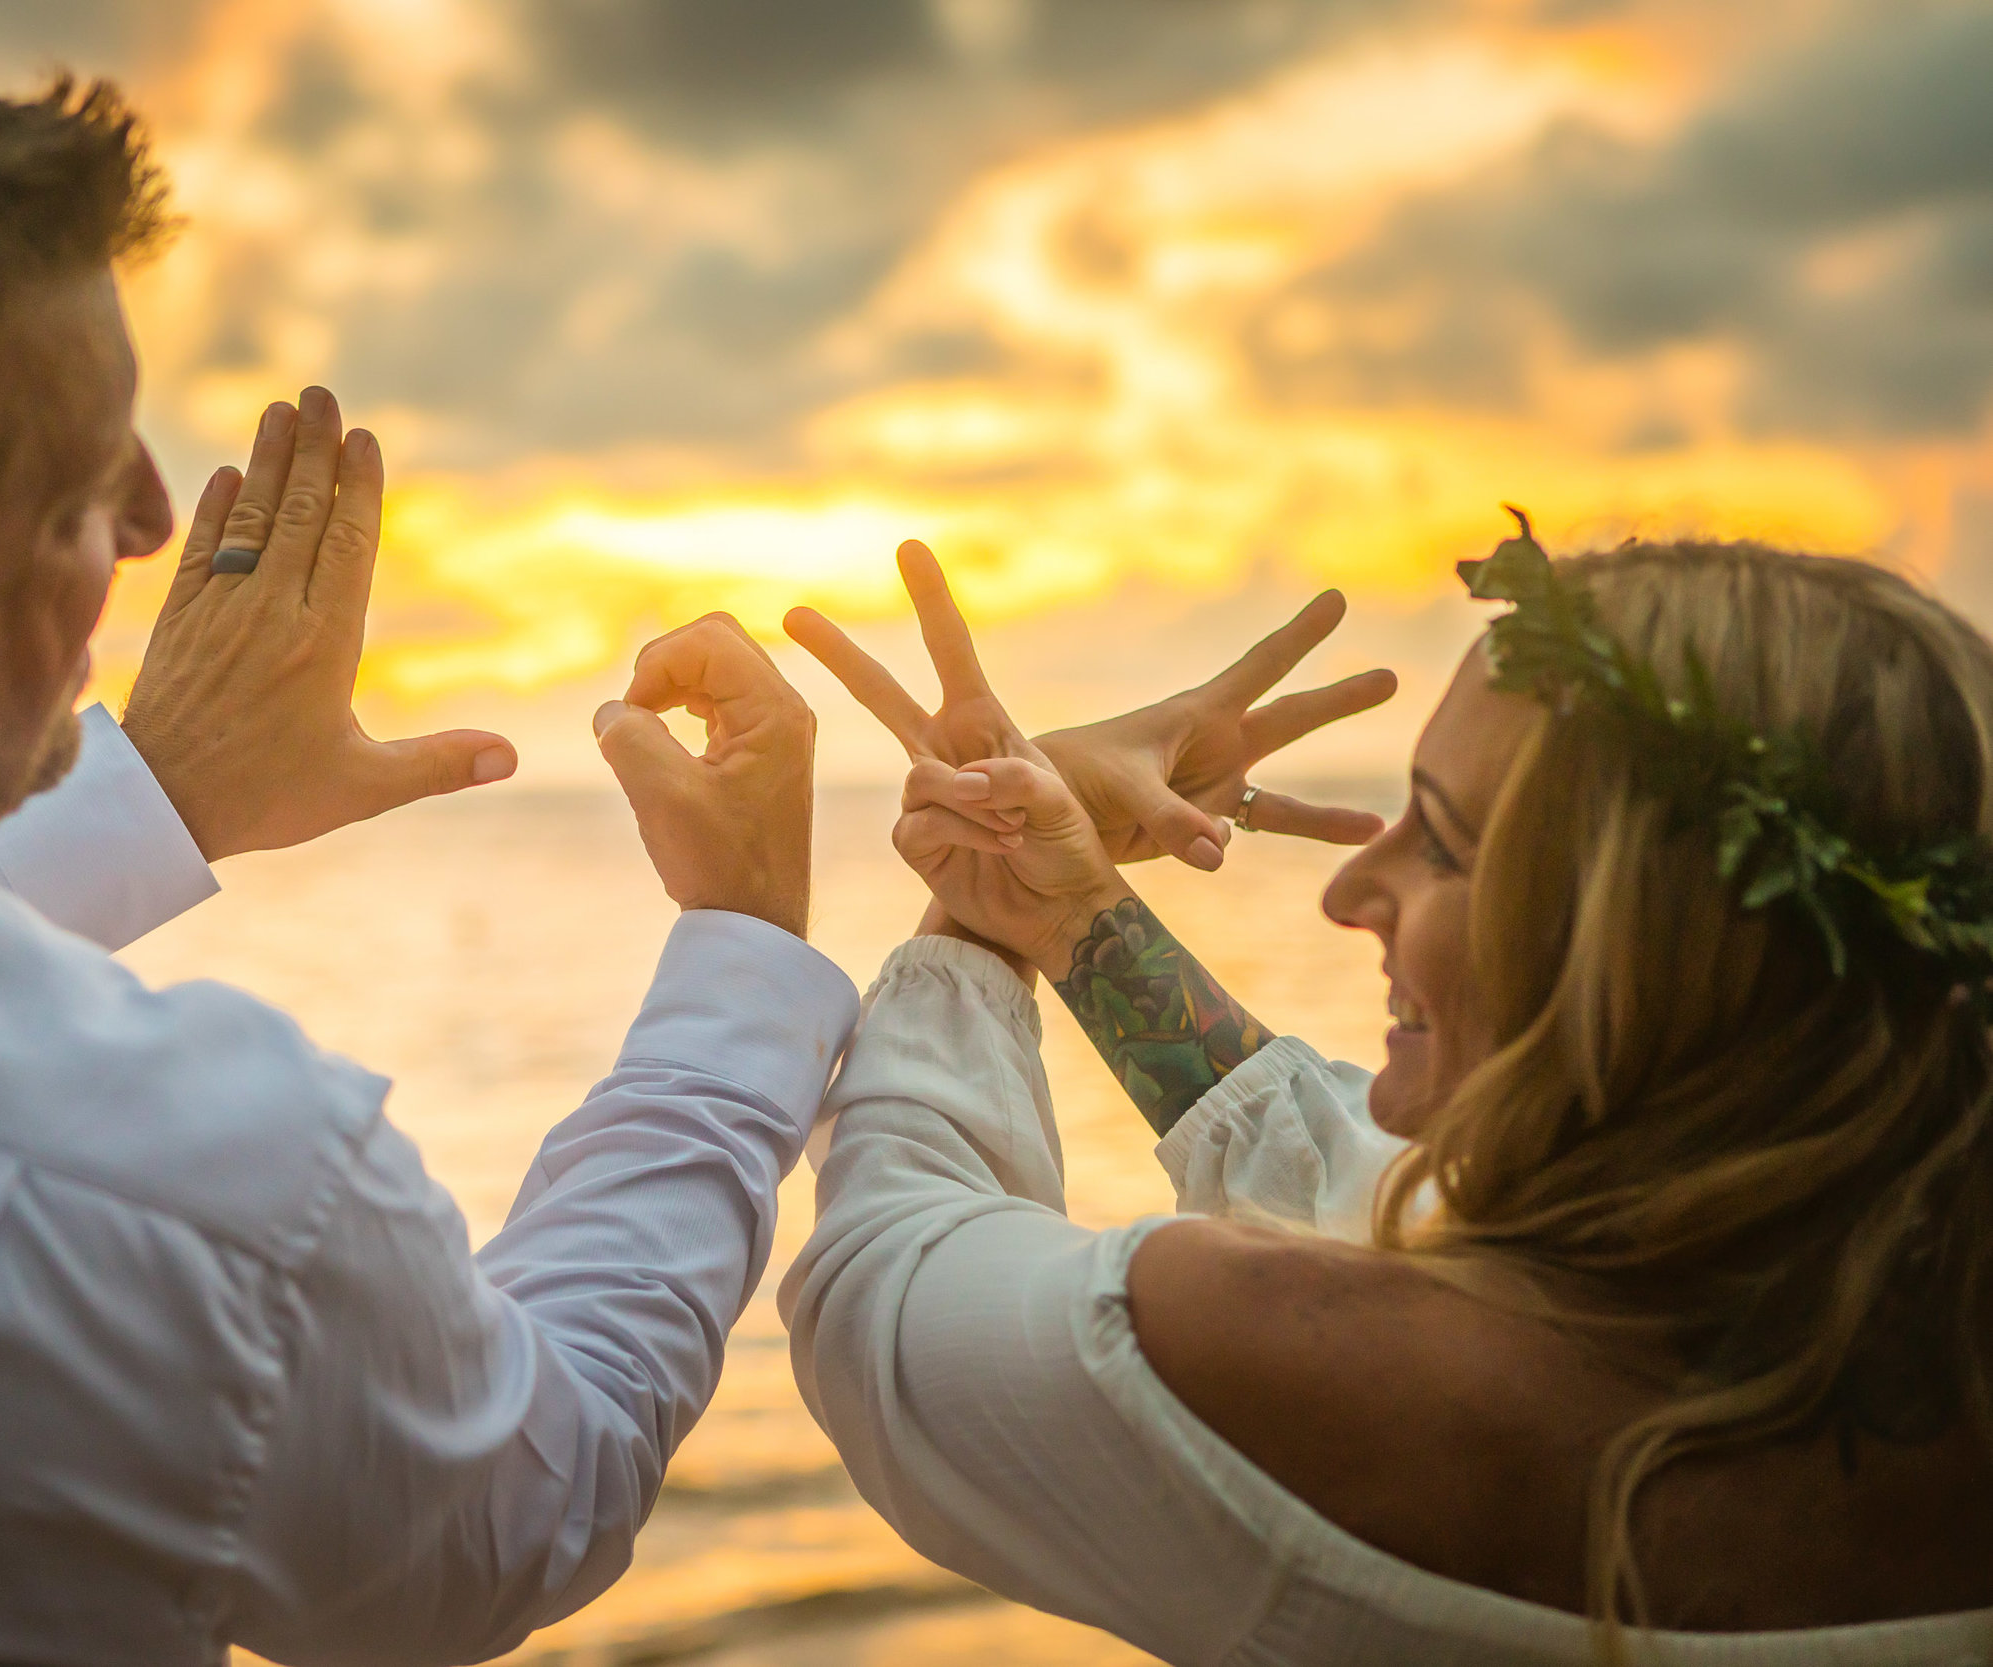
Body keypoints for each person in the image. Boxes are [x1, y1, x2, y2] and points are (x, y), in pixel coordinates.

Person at [0, 54, 1392, 1667]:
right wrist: (748, 948)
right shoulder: (183, 1182)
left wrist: (155, 799)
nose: (159, 522)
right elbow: (512, 1512)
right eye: (78, 494)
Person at [782, 526, 1993, 1663]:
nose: (1351, 882)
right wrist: (1066, 907)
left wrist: (979, 901)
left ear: (1649, 949)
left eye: (1450, 845)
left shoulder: (1311, 1368)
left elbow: (879, 1304)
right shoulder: (1915, 1355)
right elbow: (1356, 1178)